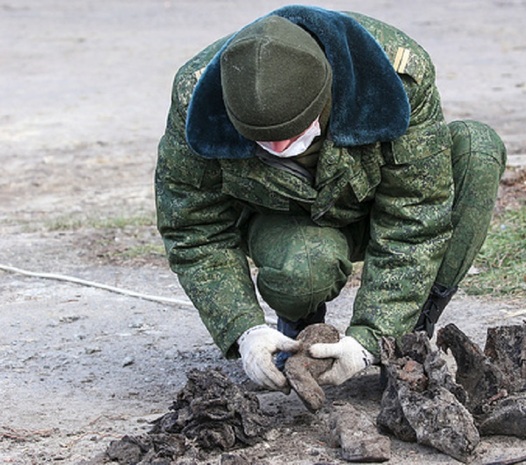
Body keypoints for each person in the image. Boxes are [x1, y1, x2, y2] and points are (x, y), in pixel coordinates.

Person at [155, 5, 506, 393]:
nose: (280, 146)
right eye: (264, 140)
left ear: (326, 93)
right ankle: (299, 333)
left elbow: (416, 216)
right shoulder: (198, 96)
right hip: (288, 223)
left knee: (477, 148)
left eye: (292, 132)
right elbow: (194, 228)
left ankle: (409, 336)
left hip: (374, 203)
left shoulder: (393, 74)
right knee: (303, 267)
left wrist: (375, 335)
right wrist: (244, 328)